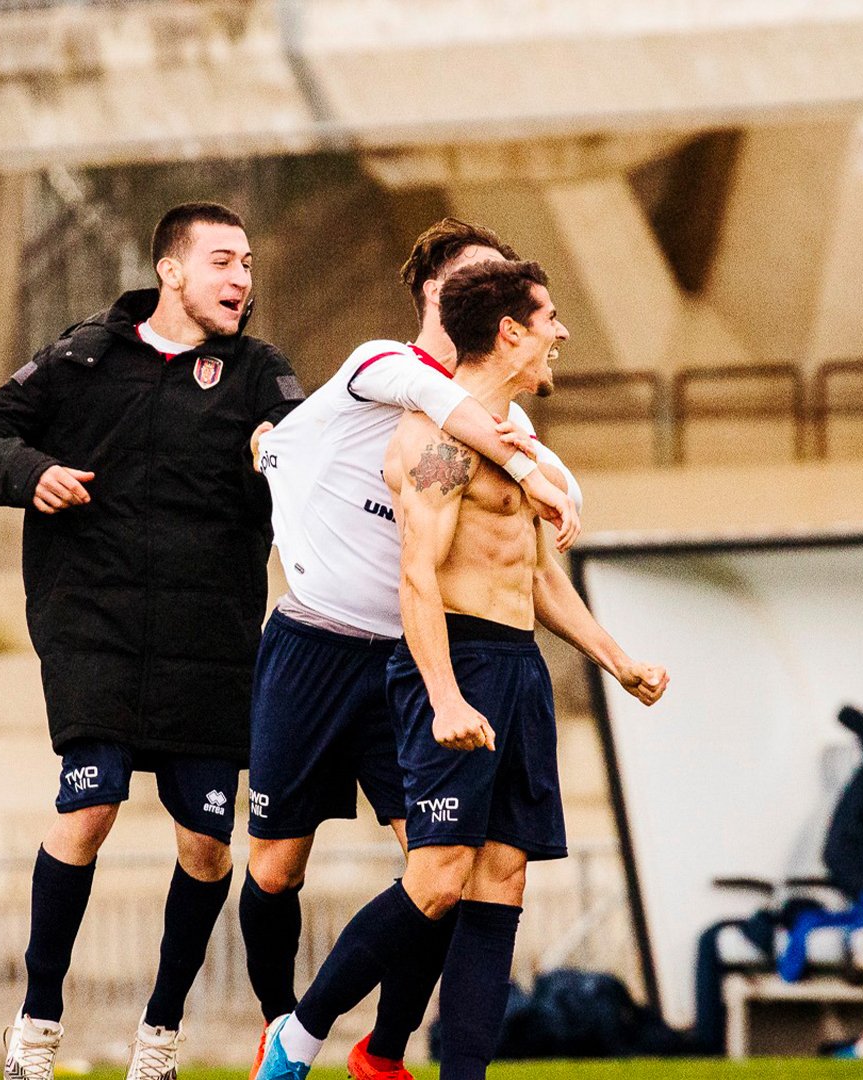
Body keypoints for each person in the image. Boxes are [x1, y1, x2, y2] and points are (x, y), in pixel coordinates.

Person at [252, 259, 667, 1080]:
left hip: (517, 667)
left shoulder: (515, 438)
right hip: (459, 665)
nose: (561, 333)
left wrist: (617, 661)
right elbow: (418, 573)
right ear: (509, 332)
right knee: (438, 880)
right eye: (549, 318)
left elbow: (539, 575)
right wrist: (442, 696)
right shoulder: (440, 443)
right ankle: (298, 1040)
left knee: (502, 882)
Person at [0, 202, 304, 1080]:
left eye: (248, 264)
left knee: (206, 847)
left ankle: (160, 1036)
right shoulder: (84, 356)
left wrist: (277, 451)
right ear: (170, 271)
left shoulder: (260, 372)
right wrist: (32, 473)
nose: (241, 278)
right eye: (222, 261)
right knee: (89, 807)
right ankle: (36, 1026)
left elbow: (310, 452)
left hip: (210, 645)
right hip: (93, 631)